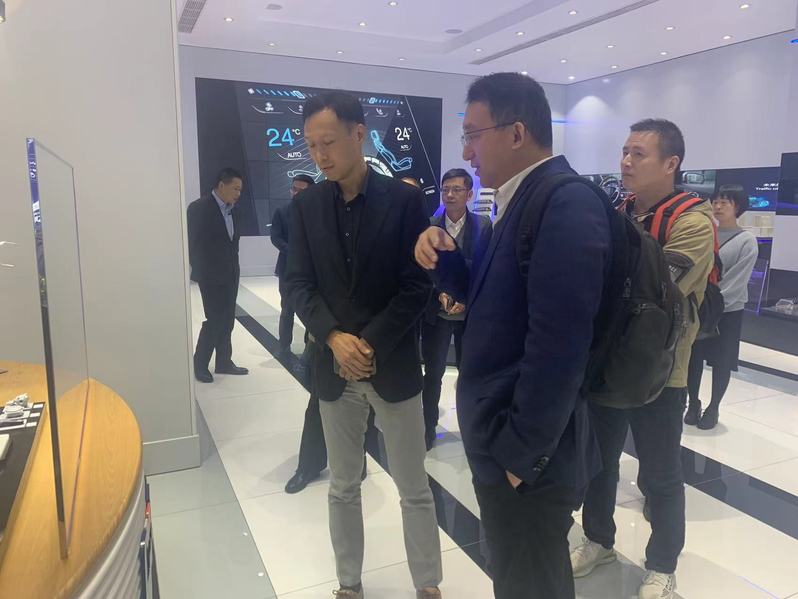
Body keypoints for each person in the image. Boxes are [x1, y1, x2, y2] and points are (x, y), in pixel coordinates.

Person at [415, 72, 611, 599]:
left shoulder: (564, 203)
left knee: (530, 580)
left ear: (517, 132)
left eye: (473, 135)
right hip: (506, 442)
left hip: (530, 458)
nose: (467, 152)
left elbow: (561, 345)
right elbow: (492, 300)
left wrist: (522, 457)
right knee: (521, 575)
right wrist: (445, 260)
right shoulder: (519, 199)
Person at [285, 90, 442, 599]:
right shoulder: (306, 206)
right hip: (334, 369)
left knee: (414, 488)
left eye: (328, 142)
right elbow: (297, 283)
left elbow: (416, 286)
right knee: (342, 486)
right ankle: (348, 585)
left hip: (391, 364)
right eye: (312, 145)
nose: (320, 155)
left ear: (358, 135)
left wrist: (368, 343)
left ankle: (428, 586)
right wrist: (334, 337)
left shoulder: (404, 201)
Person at [571, 119, 715, 599]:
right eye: (625, 152)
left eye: (638, 154)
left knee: (660, 474)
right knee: (599, 464)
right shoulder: (620, 211)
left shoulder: (692, 223)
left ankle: (662, 565)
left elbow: (658, 291)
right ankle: (598, 540)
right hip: (608, 364)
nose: (626, 161)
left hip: (661, 371)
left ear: (671, 163)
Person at [420, 168, 491, 450]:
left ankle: (472, 431)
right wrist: (438, 294)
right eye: (445, 189)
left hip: (469, 316)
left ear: (469, 194)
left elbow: (485, 270)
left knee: (470, 375)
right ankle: (427, 428)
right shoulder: (429, 225)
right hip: (436, 315)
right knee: (433, 374)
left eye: (457, 189)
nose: (449, 195)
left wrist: (467, 299)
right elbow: (423, 270)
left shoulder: (483, 226)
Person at [686, 184, 758, 430]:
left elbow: (737, 281)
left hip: (727, 311)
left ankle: (713, 407)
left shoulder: (747, 241)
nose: (717, 206)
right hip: (700, 307)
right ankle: (693, 403)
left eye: (724, 202)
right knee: (693, 358)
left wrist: (712, 302)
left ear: (738, 207)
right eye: (715, 202)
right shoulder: (706, 232)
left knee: (721, 361)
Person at [188, 168, 250, 383]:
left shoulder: (236, 211)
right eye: (235, 188)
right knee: (215, 319)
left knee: (228, 318)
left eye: (240, 190)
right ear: (221, 185)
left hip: (231, 273)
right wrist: (200, 270)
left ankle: (224, 361)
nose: (238, 193)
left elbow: (233, 245)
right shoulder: (199, 208)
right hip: (210, 275)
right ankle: (199, 364)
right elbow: (191, 243)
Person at [271, 174, 315, 355]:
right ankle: (283, 346)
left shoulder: (318, 213)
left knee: (311, 309)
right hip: (287, 268)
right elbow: (276, 238)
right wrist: (294, 252)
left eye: (301, 190)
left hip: (312, 270)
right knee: (287, 309)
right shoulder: (281, 212)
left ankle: (309, 349)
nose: (296, 193)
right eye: (294, 189)